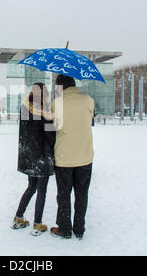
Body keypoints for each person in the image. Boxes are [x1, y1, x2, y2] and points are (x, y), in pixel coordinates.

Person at [50, 75, 94, 240]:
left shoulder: (56, 104)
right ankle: (79, 228)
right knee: (82, 194)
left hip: (63, 157)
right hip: (85, 156)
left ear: (60, 87)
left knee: (63, 194)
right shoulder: (88, 100)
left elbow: (52, 127)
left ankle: (64, 228)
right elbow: (90, 119)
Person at [12, 83, 56, 236]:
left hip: (29, 155)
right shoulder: (45, 111)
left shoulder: (24, 108)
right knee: (41, 191)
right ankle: (38, 223)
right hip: (42, 156)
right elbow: (51, 137)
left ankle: (18, 217)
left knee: (31, 188)